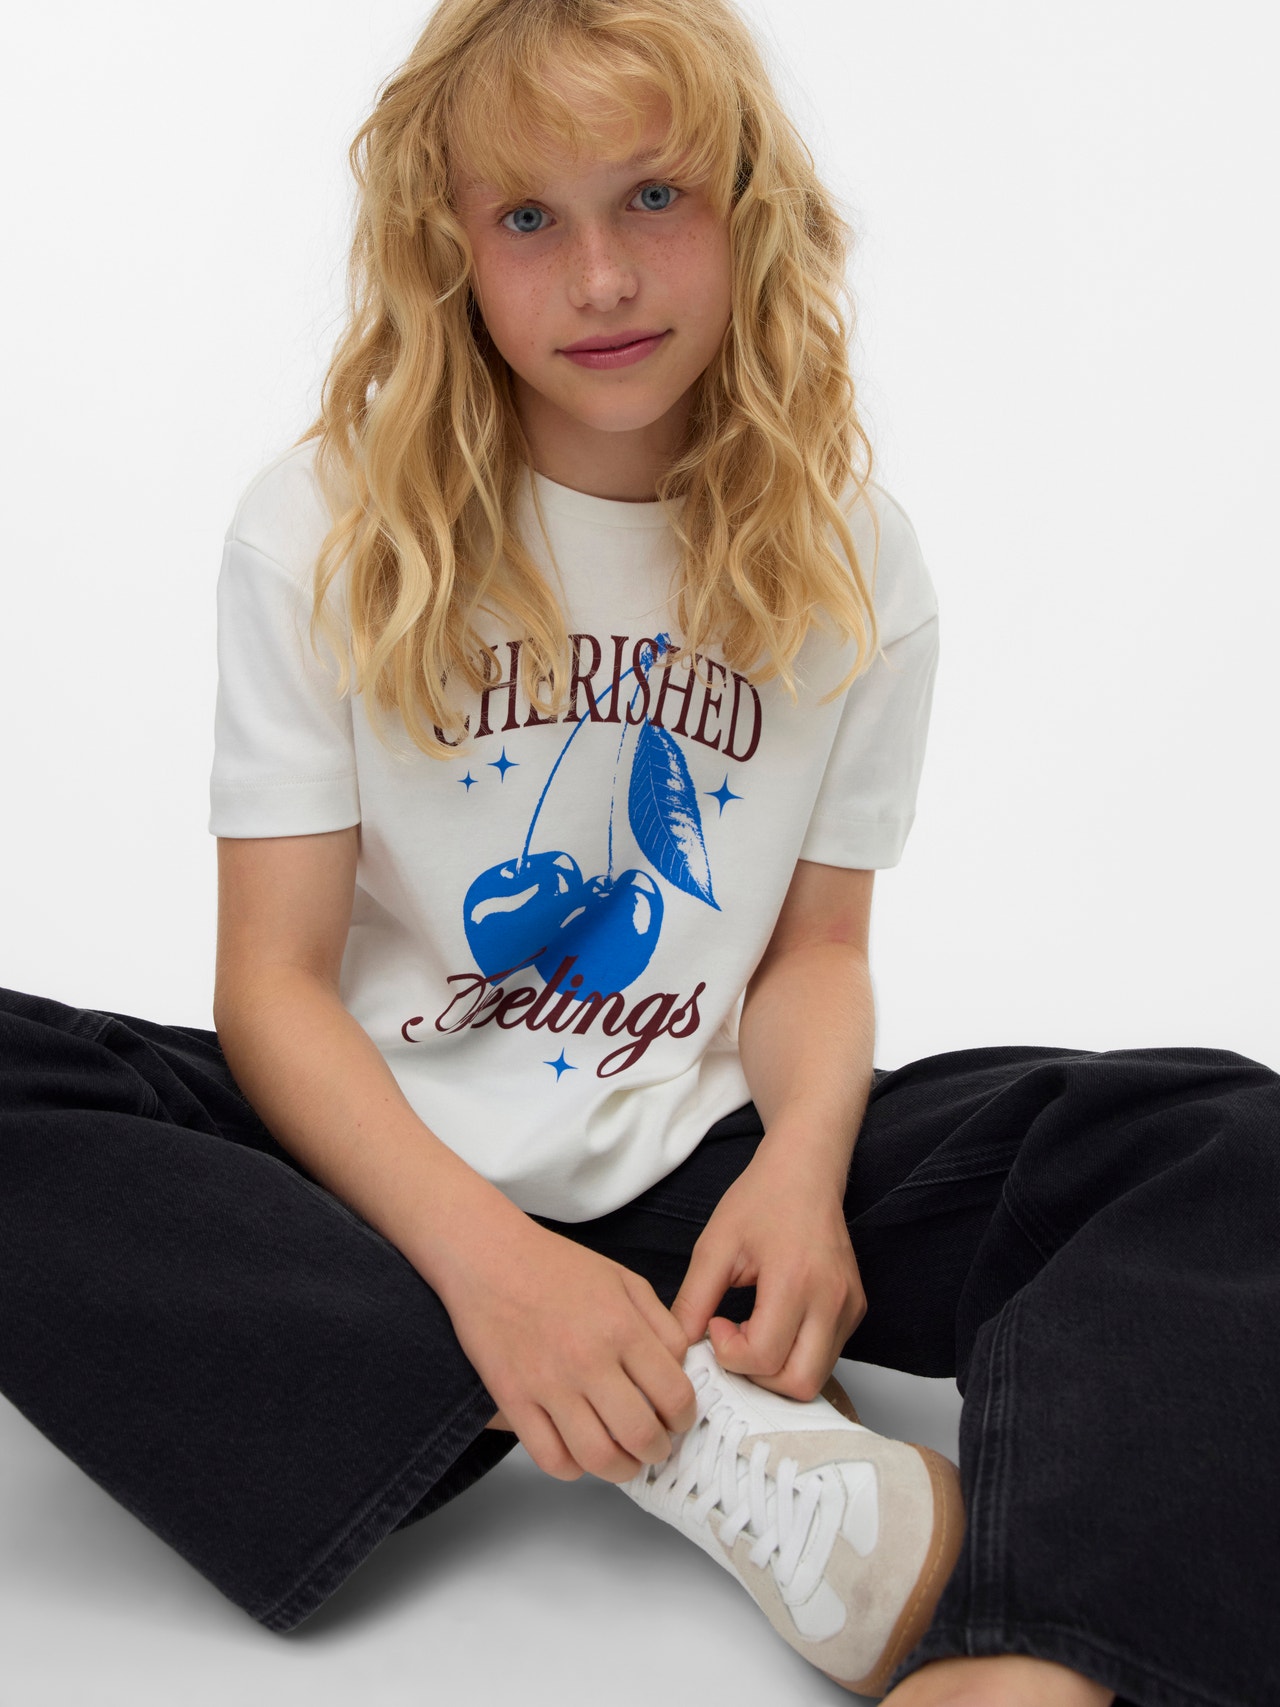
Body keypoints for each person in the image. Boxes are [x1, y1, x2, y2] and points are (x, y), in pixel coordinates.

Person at [0, 1, 1275, 1703]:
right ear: (448, 251)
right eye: (529, 216)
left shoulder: (852, 557)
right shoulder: (320, 529)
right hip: (374, 1177)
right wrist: (492, 1266)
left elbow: (816, 954)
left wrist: (801, 1175)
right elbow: (274, 988)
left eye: (654, 197)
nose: (601, 277)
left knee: (1218, 1139)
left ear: (750, 213)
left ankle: (1034, 1653)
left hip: (703, 1167)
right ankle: (676, 1423)